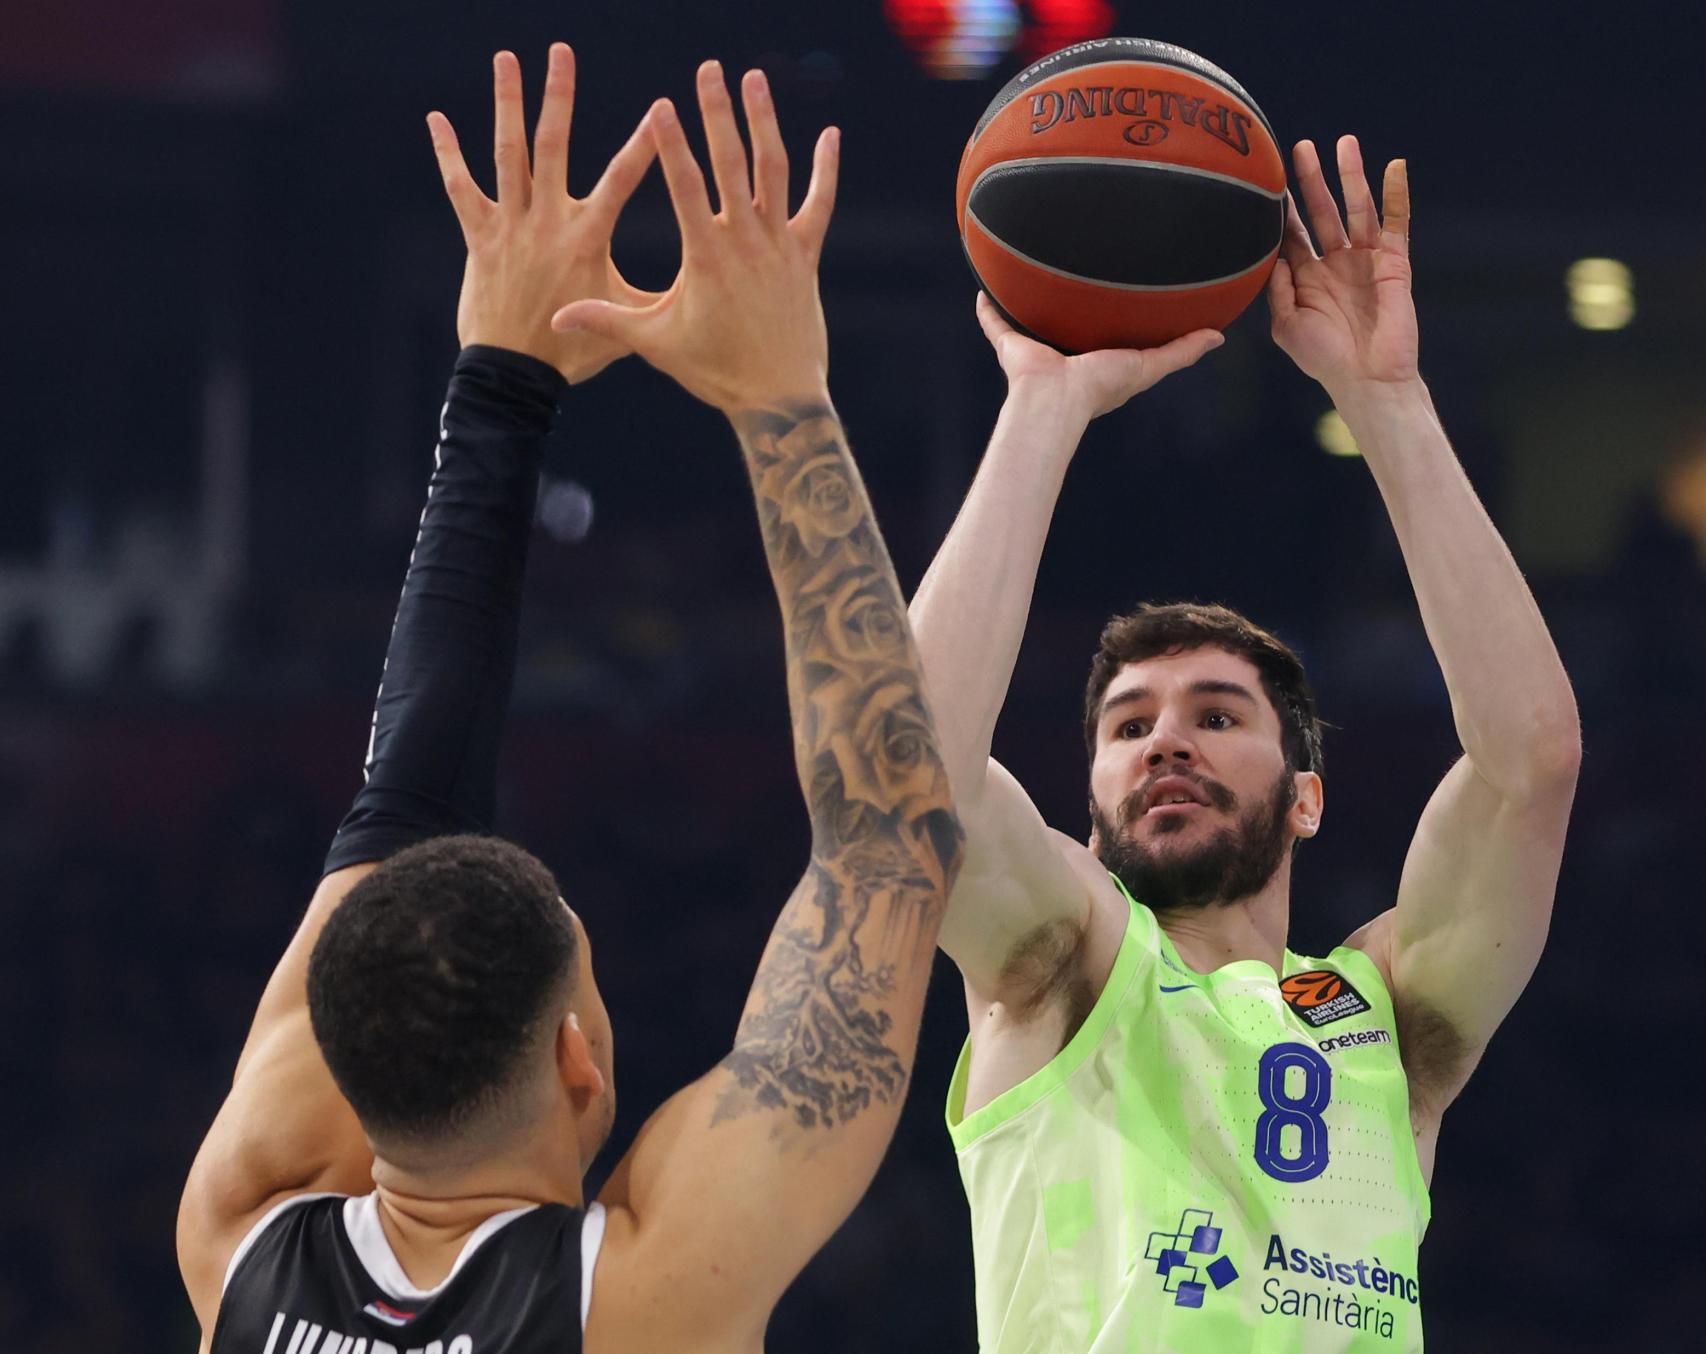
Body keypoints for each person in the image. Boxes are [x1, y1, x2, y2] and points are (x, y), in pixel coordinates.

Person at [176, 45, 964, 1353]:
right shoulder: (635, 1302)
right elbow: (884, 837)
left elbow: (891, 836)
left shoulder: (245, 1244)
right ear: (581, 1059)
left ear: (337, 1077)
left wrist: (760, 396)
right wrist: (751, 396)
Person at [909, 136, 1580, 1350]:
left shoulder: (1386, 1017)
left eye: (1215, 716)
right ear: (1095, 792)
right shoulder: (1058, 967)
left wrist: (1385, 404)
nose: (1164, 741)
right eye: (1128, 725)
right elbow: (907, 767)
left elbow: (1526, 765)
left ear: (1306, 796)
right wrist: (1039, 415)